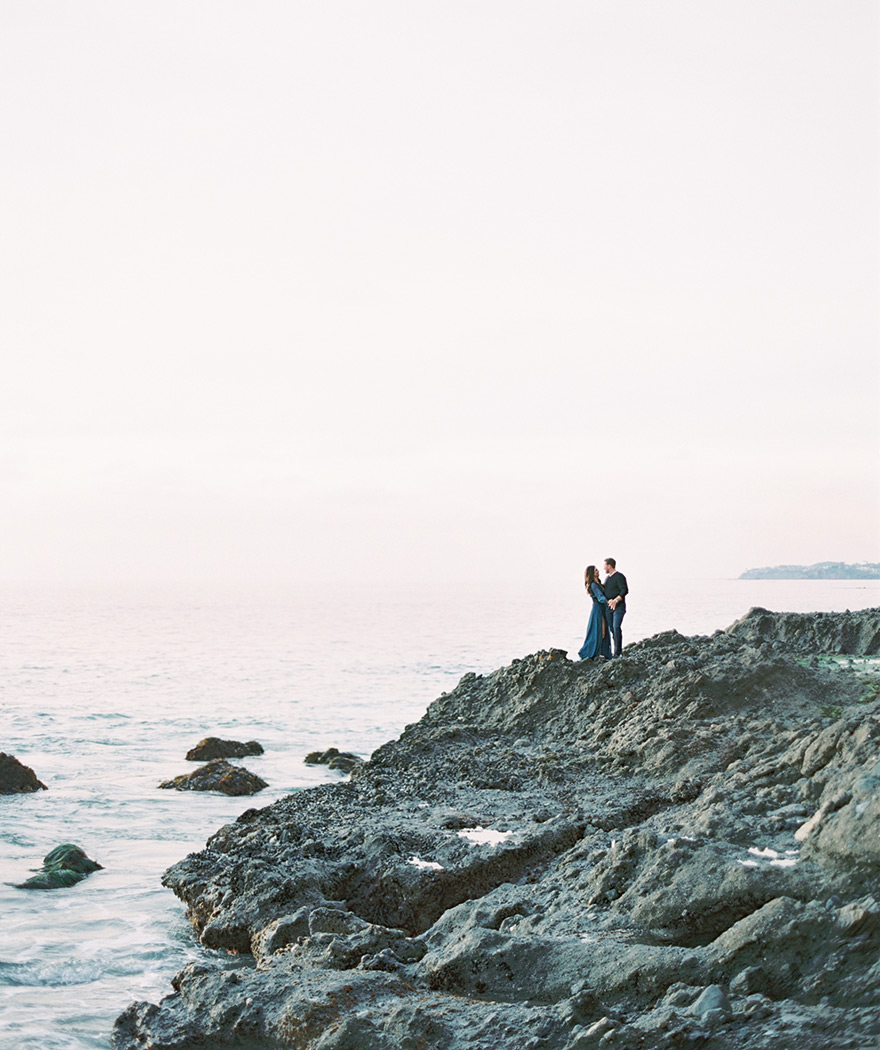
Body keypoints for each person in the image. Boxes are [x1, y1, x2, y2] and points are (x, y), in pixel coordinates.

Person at [578, 565, 611, 660]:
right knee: (600, 630)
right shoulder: (593, 585)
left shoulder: (599, 583)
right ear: (592, 573)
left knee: (604, 630)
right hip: (598, 609)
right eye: (596, 570)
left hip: (602, 609)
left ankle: (602, 652)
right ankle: (595, 652)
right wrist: (607, 601)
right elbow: (600, 596)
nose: (598, 571)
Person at [603, 557, 628, 658]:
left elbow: (624, 590)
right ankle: (615, 651)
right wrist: (608, 601)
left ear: (609, 566)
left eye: (604, 566)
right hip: (609, 607)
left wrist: (616, 600)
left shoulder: (619, 576)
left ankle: (618, 652)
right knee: (612, 629)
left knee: (616, 627)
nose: (604, 568)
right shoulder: (607, 579)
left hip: (619, 607)